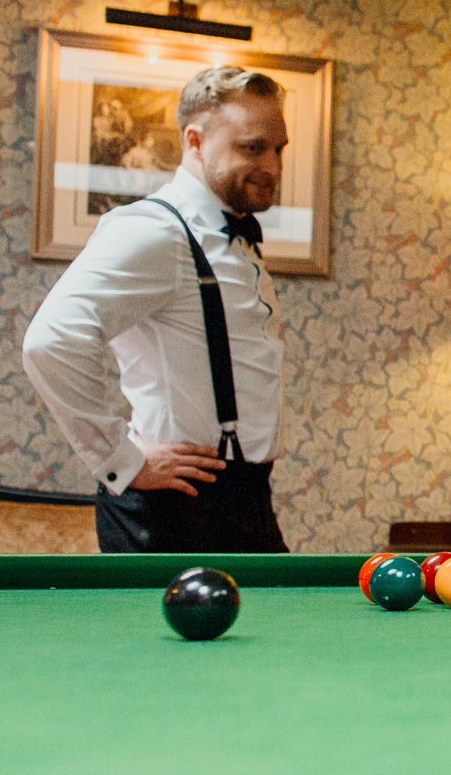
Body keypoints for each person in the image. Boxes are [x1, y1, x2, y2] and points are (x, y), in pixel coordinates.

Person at [23, 66, 290, 552]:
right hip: (176, 511)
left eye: (279, 149)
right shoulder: (155, 231)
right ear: (194, 141)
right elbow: (52, 340)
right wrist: (123, 460)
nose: (272, 166)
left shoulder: (235, 237)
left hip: (244, 500)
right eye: (253, 147)